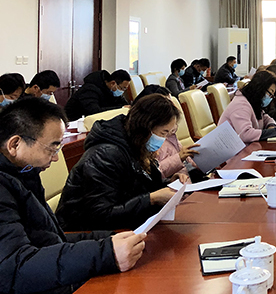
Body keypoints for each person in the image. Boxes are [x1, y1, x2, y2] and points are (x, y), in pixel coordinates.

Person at [0, 98, 146, 294]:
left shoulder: (23, 174)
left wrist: (110, 238)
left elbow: (50, 239)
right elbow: (14, 269)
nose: (56, 158)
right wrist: (105, 253)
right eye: (52, 148)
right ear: (15, 144)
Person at [57, 95, 184, 231]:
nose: (163, 140)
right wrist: (151, 199)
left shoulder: (136, 143)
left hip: (128, 225)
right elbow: (101, 215)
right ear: (146, 126)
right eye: (163, 133)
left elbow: (138, 188)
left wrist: (168, 184)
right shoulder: (105, 155)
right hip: (86, 230)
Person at [135, 85, 200, 180]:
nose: (172, 108)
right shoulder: (149, 140)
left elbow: (186, 160)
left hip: (182, 178)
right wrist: (178, 158)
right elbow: (152, 173)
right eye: (167, 105)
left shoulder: (170, 132)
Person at [218, 70, 276, 143]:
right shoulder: (241, 105)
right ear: (260, 88)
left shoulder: (253, 103)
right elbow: (245, 134)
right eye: (270, 93)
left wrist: (271, 126)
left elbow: (265, 118)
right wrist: (275, 131)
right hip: (231, 149)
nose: (270, 98)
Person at [63, 69, 131, 121]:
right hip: (73, 122)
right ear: (113, 83)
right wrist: (121, 108)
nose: (122, 91)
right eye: (122, 88)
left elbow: (125, 105)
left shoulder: (112, 91)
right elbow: (94, 111)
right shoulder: (89, 90)